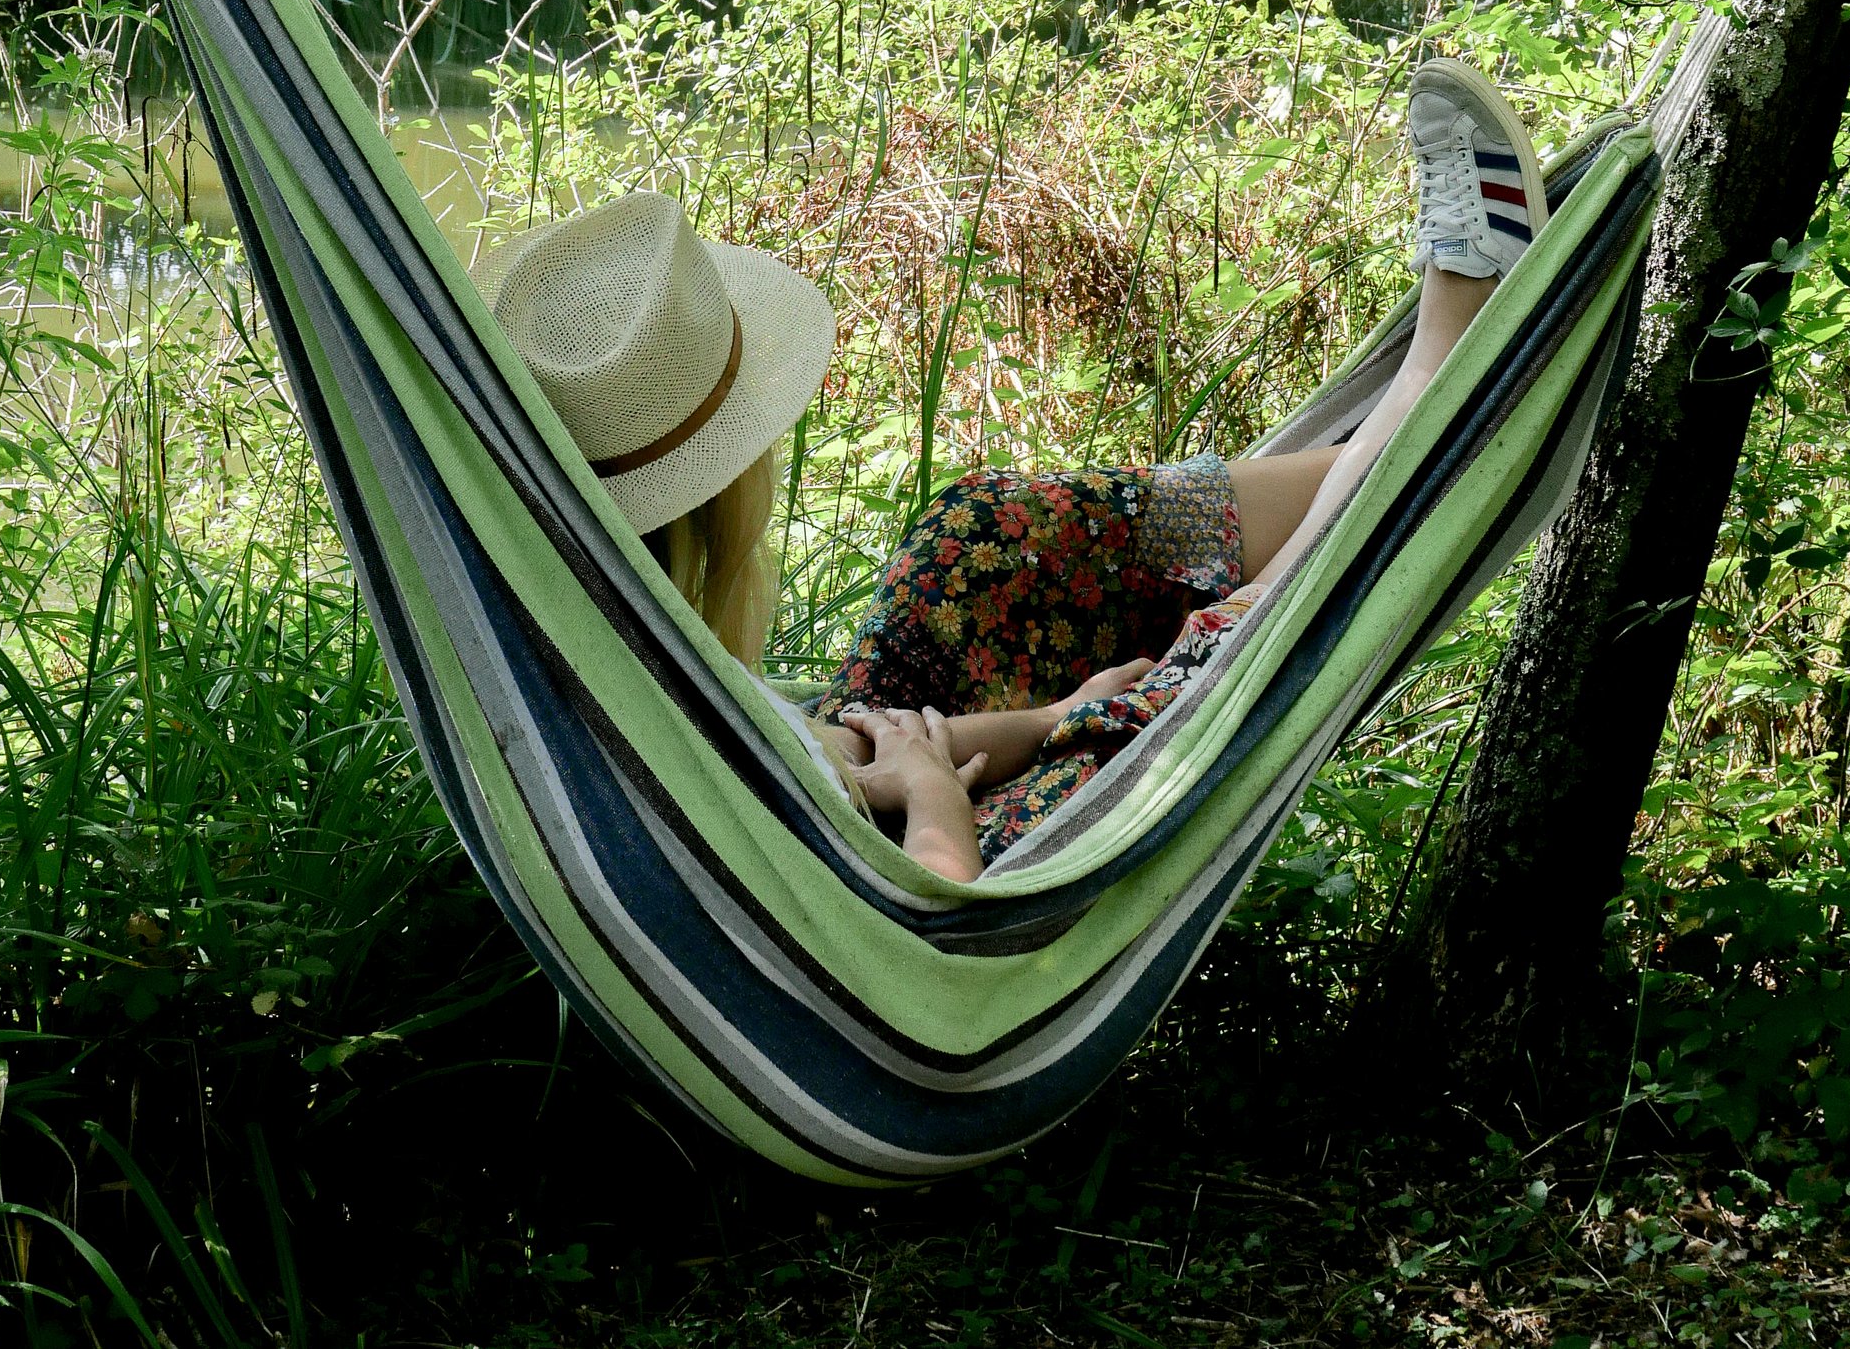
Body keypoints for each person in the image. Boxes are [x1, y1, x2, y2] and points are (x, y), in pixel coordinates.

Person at [475, 60, 1549, 881]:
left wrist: (1046, 719)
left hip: (888, 781)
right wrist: (937, 795)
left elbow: (841, 756)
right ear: (719, 494)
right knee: (1197, 694)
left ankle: (1395, 434)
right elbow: (931, 891)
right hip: (942, 883)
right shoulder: (649, 718)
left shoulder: (603, 648)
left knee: (982, 531)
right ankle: (1423, 424)